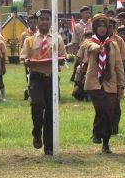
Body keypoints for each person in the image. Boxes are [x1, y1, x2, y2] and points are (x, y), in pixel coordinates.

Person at [20, 9, 66, 156]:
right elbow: (24, 57)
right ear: (37, 22)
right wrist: (28, 62)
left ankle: (49, 146)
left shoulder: (57, 39)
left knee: (51, 113)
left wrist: (60, 59)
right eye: (42, 20)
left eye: (47, 19)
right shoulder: (30, 39)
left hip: (51, 78)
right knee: (37, 104)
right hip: (36, 77)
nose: (45, 22)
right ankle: (36, 132)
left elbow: (63, 56)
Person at [84, 13, 124, 153]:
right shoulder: (89, 42)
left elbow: (119, 66)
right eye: (99, 26)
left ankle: (105, 143)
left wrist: (121, 85)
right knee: (101, 109)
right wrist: (98, 48)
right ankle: (96, 132)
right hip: (94, 83)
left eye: (104, 26)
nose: (102, 29)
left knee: (109, 112)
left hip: (110, 83)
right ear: (95, 28)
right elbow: (88, 48)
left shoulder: (113, 45)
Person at [70, 6, 92, 81]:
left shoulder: (92, 25)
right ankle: (77, 83)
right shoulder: (77, 26)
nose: (88, 14)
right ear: (81, 14)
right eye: (86, 13)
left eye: (89, 13)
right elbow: (75, 41)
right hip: (81, 49)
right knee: (78, 68)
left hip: (91, 49)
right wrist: (76, 53)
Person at [72, 30, 93, 102]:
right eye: (87, 36)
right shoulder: (83, 45)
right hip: (85, 64)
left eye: (90, 36)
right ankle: (77, 86)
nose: (89, 38)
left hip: (93, 65)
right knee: (78, 70)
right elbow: (80, 57)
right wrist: (81, 66)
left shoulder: (96, 43)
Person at [20, 15, 37, 100]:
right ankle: (30, 93)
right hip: (28, 59)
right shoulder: (24, 34)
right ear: (28, 23)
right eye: (30, 22)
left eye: (34, 22)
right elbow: (22, 47)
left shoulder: (39, 33)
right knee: (29, 76)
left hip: (38, 58)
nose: (32, 24)